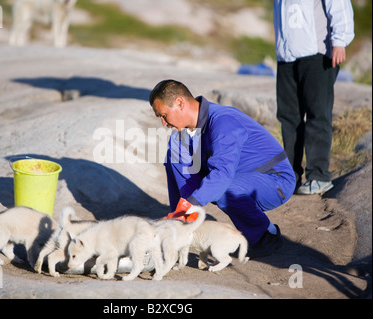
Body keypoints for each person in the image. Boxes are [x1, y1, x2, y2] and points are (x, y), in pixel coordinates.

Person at [149, 79, 296, 258]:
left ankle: (266, 234)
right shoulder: (180, 136)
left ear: (180, 103)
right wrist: (179, 216)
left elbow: (222, 175)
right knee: (173, 156)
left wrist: (191, 205)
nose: (163, 123)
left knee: (225, 187)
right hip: (238, 178)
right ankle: (183, 228)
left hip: (275, 179)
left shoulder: (223, 121)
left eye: (164, 115)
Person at [273, 0, 355, 195]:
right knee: (288, 117)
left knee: (318, 115)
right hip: (286, 56)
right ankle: (290, 177)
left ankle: (319, 176)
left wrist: (340, 41)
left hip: (317, 53)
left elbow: (340, 5)